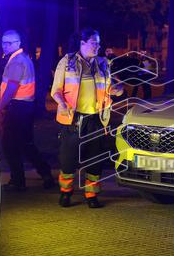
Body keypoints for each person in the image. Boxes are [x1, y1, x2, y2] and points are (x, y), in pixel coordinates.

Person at [51, 28, 124, 208]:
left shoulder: (103, 63)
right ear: (82, 44)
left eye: (98, 42)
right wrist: (61, 103)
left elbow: (112, 86)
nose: (97, 46)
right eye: (93, 43)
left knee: (95, 159)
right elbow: (56, 90)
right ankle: (65, 193)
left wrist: (117, 89)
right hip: (73, 119)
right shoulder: (67, 62)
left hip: (96, 119)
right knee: (68, 159)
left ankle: (92, 195)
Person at [0, 30, 55, 192]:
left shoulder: (16, 61)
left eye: (8, 43)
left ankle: (19, 180)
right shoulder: (24, 59)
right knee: (25, 144)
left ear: (17, 43)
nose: (4, 46)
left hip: (17, 108)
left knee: (9, 145)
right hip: (25, 108)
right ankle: (44, 173)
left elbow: (12, 87)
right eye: (3, 42)